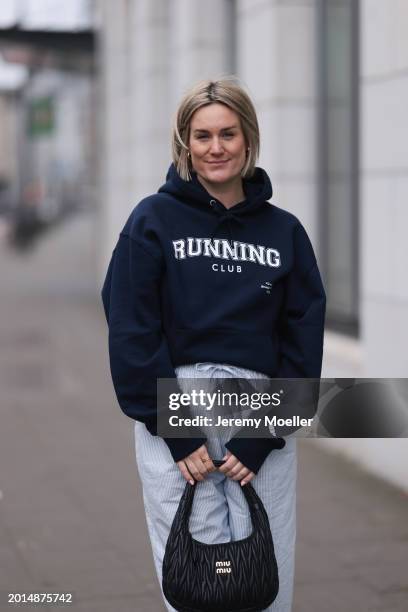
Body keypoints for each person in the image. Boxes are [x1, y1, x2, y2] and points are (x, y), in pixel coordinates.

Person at [101, 76, 326, 612]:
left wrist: (262, 434)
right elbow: (132, 328)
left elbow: (303, 338)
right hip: (178, 404)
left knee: (267, 565)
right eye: (202, 136)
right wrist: (177, 432)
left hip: (259, 405)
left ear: (248, 139)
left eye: (228, 133)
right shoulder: (151, 221)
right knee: (192, 573)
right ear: (184, 144)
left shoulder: (284, 231)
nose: (216, 148)